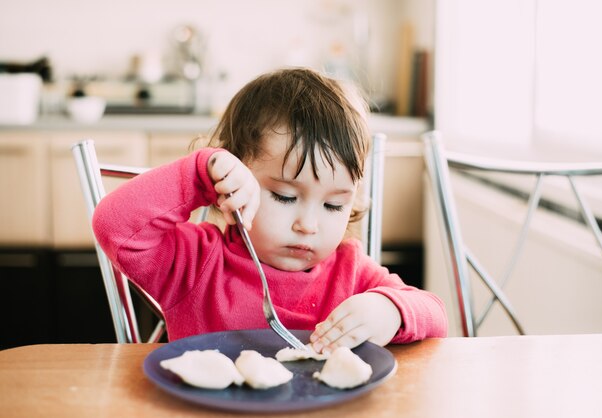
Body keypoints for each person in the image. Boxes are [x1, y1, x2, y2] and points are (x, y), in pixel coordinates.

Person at [93, 68, 447, 353]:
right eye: (285, 197)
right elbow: (114, 226)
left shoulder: (350, 272)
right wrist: (202, 174)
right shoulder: (196, 262)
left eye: (333, 204)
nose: (308, 225)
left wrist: (389, 310)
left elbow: (435, 314)